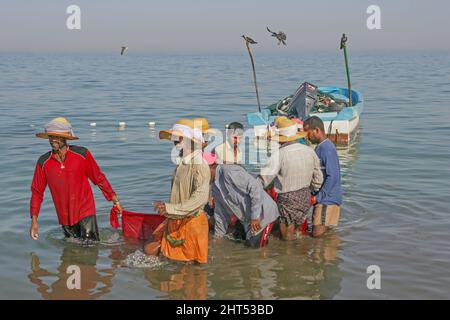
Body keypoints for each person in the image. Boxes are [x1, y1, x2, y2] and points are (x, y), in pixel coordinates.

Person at [30, 117, 123, 242]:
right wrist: (34, 222)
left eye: (57, 136)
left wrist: (114, 200)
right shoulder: (43, 162)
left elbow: (98, 178)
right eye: (50, 136)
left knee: (90, 247)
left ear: (65, 138)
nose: (53, 140)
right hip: (64, 215)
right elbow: (37, 192)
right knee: (72, 251)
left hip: (85, 210)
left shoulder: (82, 154)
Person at [144, 119, 210, 264]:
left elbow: (200, 198)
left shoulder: (199, 164)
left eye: (178, 138)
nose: (175, 142)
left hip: (192, 222)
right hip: (176, 217)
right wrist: (168, 209)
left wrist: (169, 208)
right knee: (150, 250)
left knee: (190, 269)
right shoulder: (182, 162)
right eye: (174, 139)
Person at [258, 117, 323, 241]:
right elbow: (318, 179)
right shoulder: (309, 151)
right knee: (298, 231)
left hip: (287, 198)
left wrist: (252, 186)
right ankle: (300, 253)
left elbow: (264, 179)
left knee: (287, 235)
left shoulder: (279, 154)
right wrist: (312, 189)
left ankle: (288, 256)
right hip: (305, 197)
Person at [210, 145, 279, 248]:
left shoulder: (229, 172)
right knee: (240, 245)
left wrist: (255, 217)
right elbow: (220, 214)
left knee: (255, 249)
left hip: (263, 215)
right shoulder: (214, 187)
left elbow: (255, 187)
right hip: (247, 219)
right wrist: (217, 238)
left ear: (213, 166)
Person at [303, 116, 343, 237]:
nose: (306, 136)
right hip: (324, 199)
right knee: (322, 235)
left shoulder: (327, 149)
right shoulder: (320, 147)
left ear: (316, 130)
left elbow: (333, 176)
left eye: (307, 132)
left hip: (327, 200)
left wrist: (318, 198)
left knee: (317, 235)